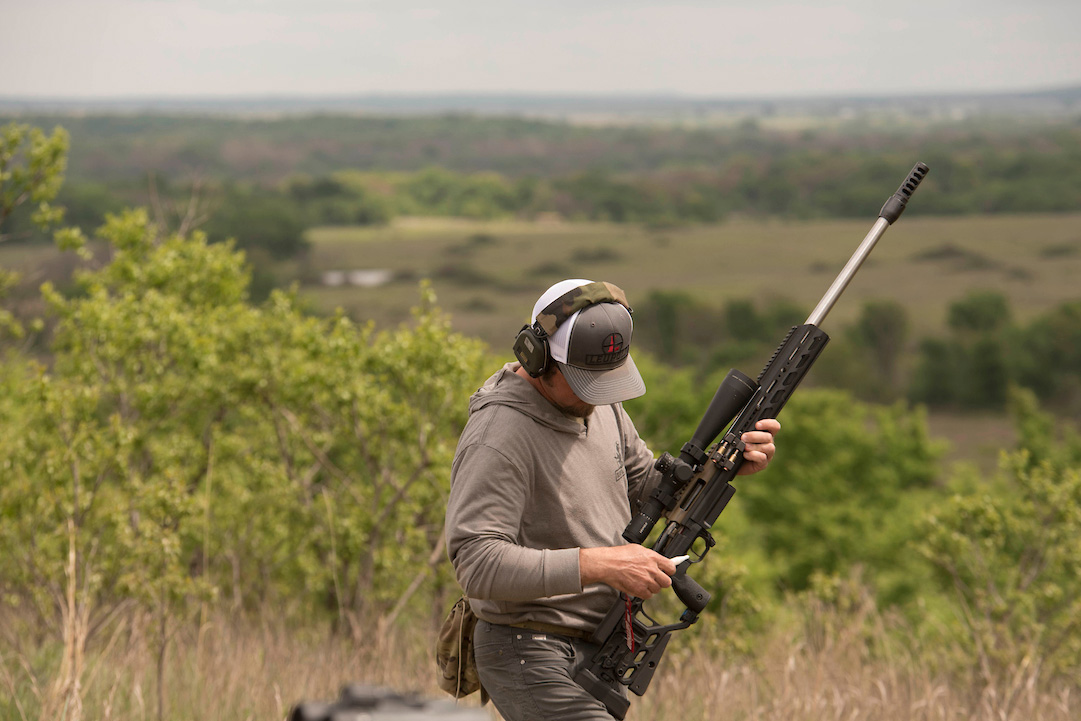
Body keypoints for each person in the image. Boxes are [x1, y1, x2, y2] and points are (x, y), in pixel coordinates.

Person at [445, 279, 780, 721]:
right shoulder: (499, 437)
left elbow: (648, 489)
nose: (598, 395)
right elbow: (476, 562)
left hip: (596, 647)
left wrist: (726, 467)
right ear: (538, 357)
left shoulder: (598, 406)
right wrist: (603, 565)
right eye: (586, 380)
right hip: (526, 649)